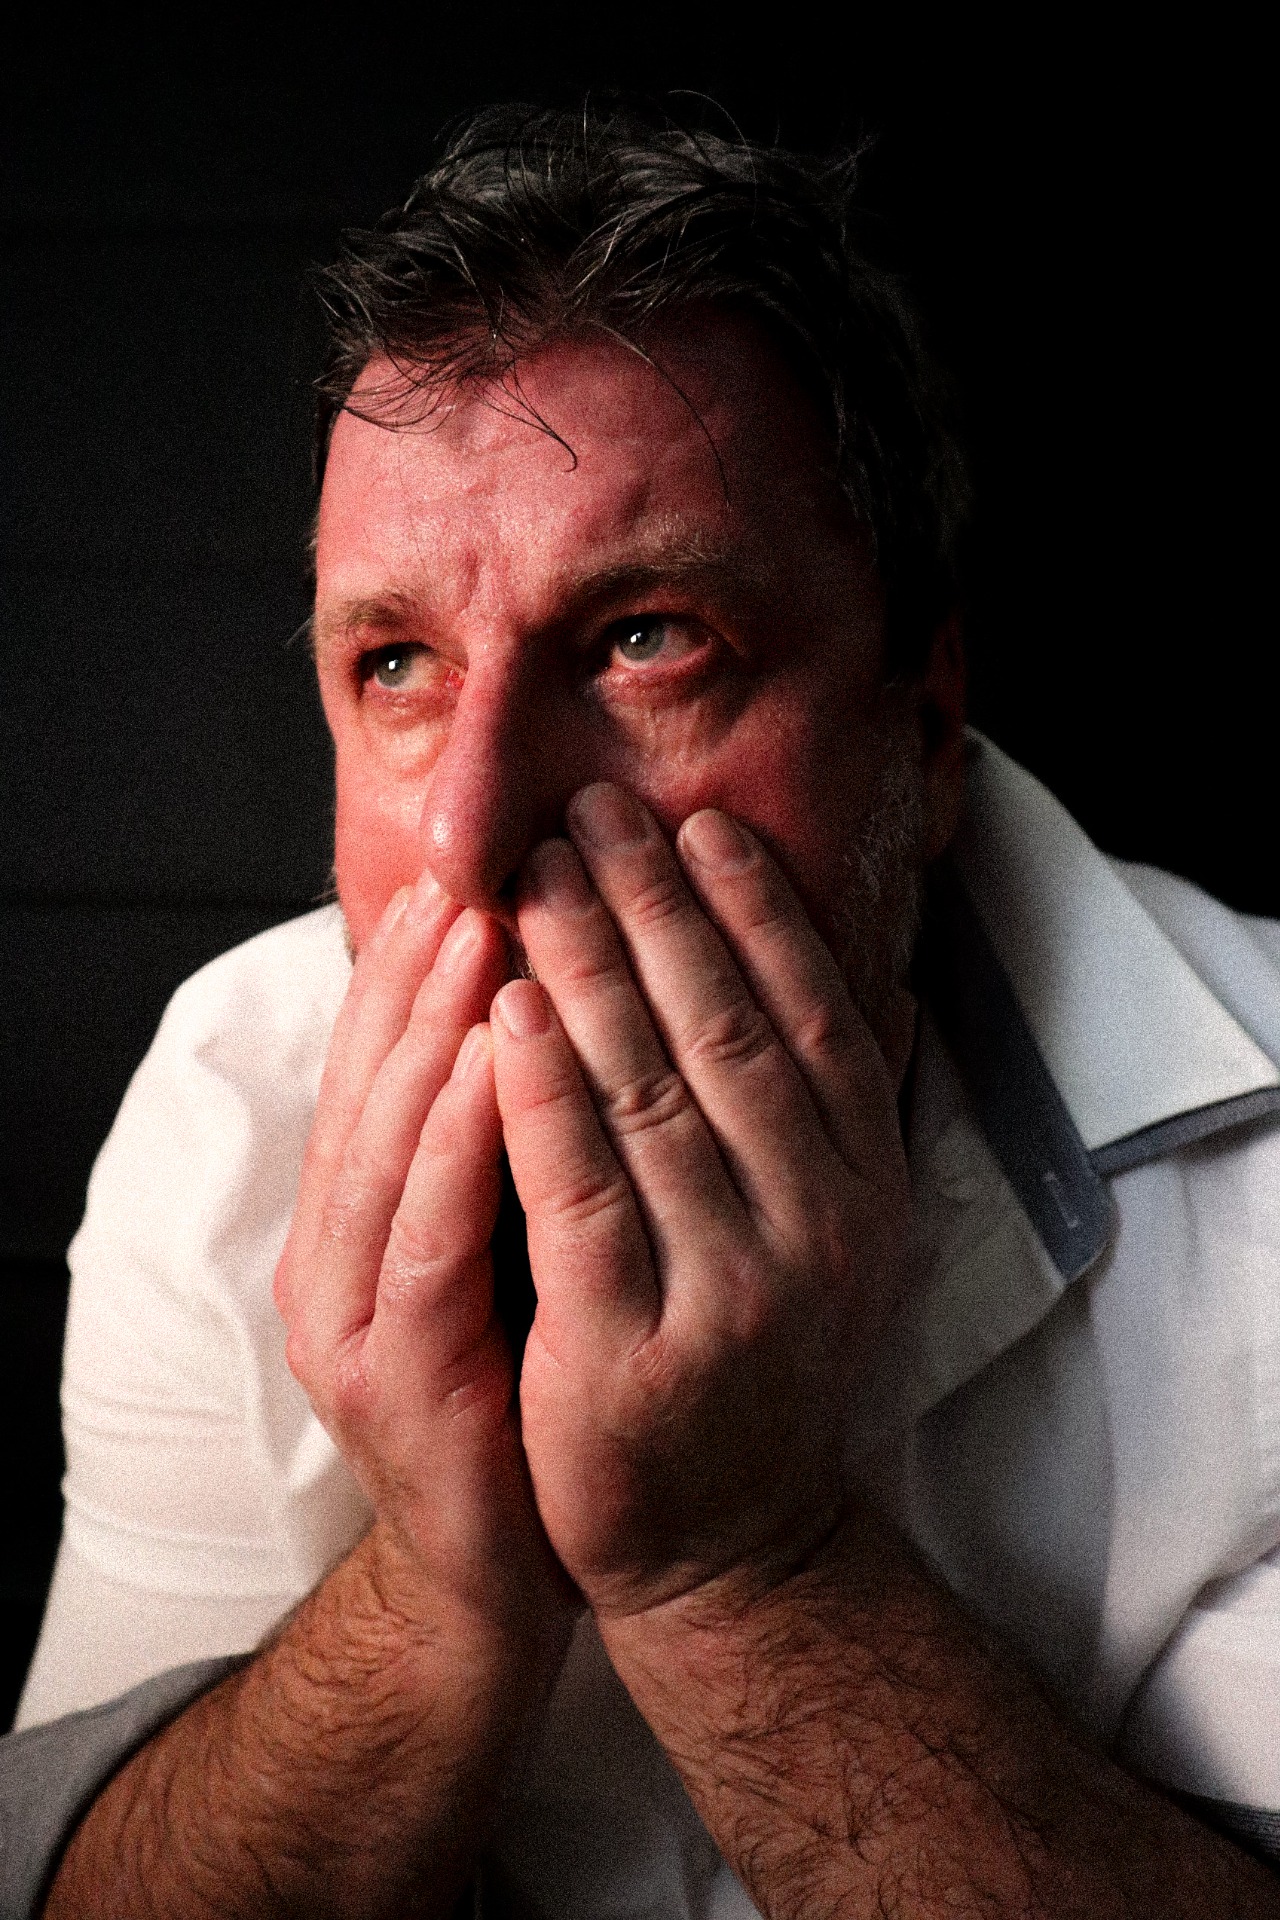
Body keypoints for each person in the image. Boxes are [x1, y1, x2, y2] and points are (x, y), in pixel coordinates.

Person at [2, 104, 1278, 1918]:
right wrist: (431, 1595)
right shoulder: (229, 1104)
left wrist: (745, 1572)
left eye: (644, 638)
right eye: (396, 664)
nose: (470, 836)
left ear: (921, 722)